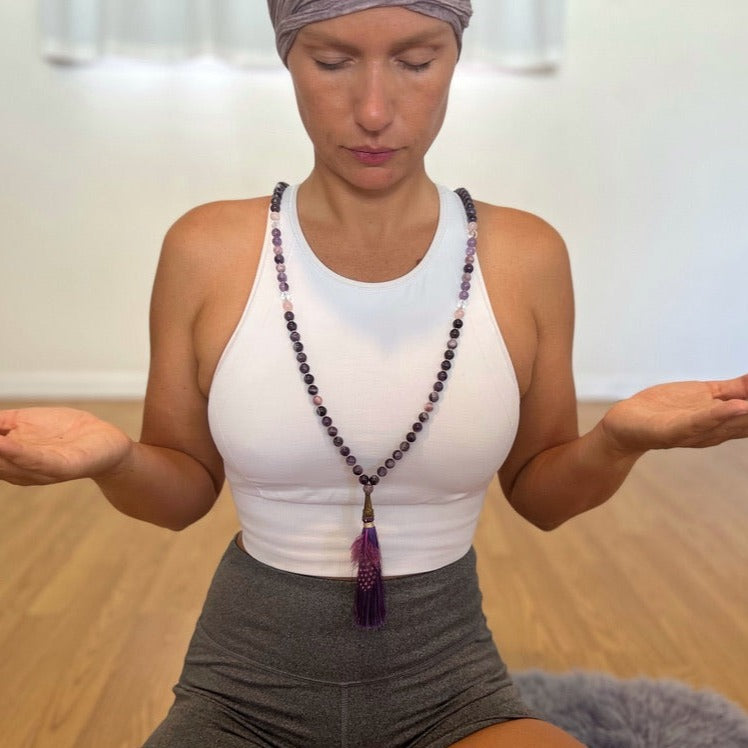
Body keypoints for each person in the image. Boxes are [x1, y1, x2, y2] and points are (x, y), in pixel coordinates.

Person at [1, 1, 746, 746]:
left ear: (454, 57)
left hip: (449, 690)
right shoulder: (207, 249)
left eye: (416, 63)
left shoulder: (526, 257)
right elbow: (180, 490)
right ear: (288, 57)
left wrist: (619, 438)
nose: (374, 109)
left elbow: (543, 496)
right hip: (244, 695)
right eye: (332, 63)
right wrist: (112, 459)